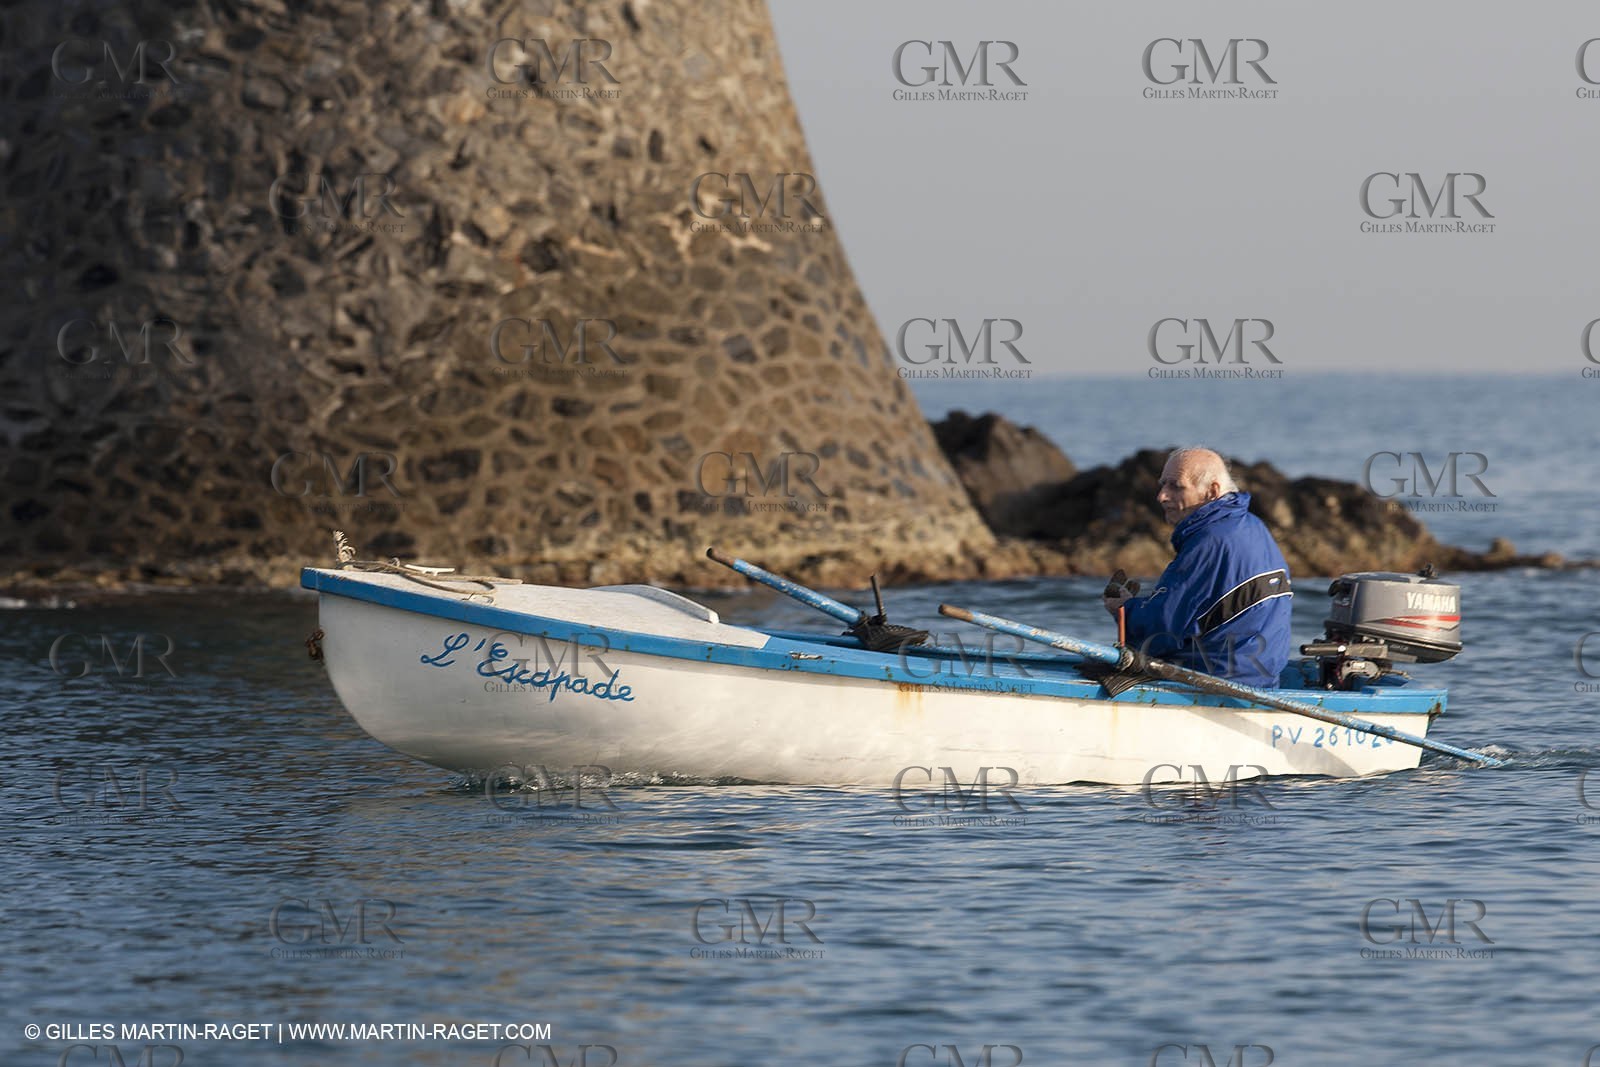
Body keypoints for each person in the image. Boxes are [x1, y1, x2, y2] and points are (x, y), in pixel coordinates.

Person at [1102, 447, 1292, 687]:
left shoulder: (1211, 541)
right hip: (1259, 676)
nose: (1161, 496)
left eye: (1176, 486)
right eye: (1162, 485)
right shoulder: (1252, 526)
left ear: (1212, 491)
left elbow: (1163, 628)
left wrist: (1123, 610)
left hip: (1218, 680)